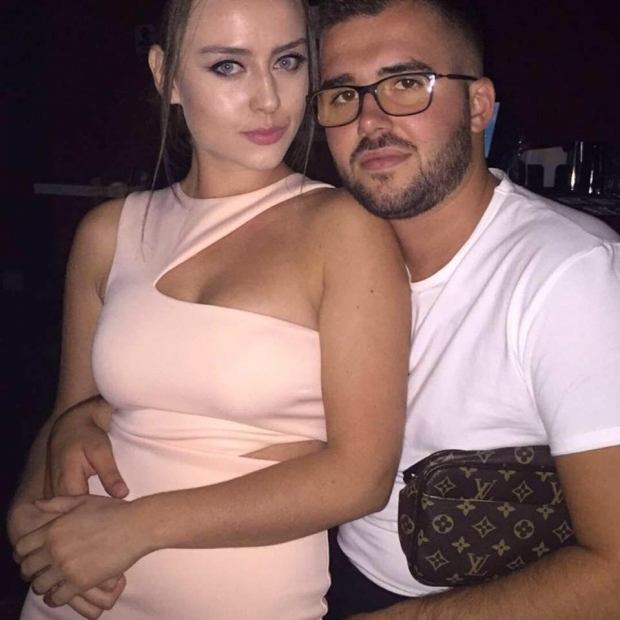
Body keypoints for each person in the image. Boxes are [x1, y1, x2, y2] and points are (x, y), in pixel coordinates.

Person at [8, 0, 411, 618]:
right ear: (166, 75)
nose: (269, 99)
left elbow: (362, 477)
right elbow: (68, 415)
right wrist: (24, 515)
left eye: (288, 62)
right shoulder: (108, 232)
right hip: (73, 589)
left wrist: (137, 527)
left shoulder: (343, 229)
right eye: (228, 66)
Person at [312, 0, 620, 618]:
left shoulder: (570, 276)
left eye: (406, 84)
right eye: (343, 94)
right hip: (318, 569)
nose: (370, 120)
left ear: (478, 105)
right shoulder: (323, 248)